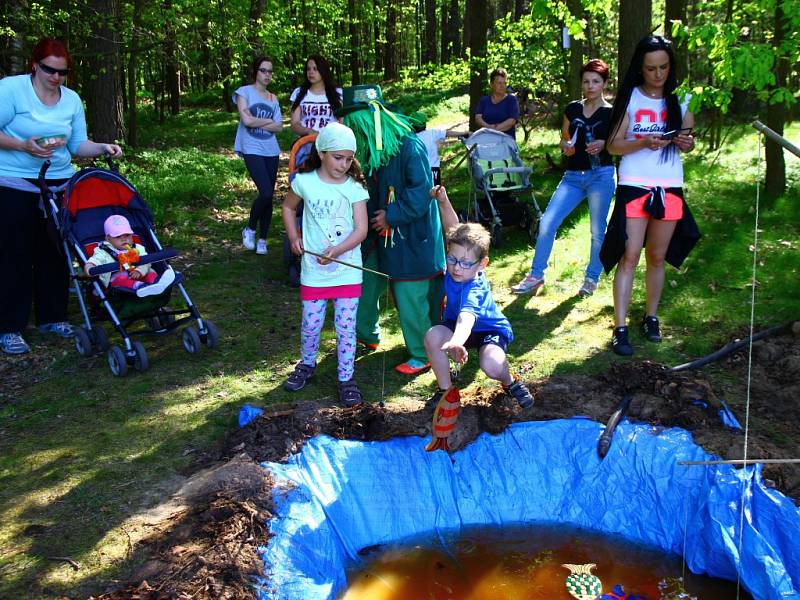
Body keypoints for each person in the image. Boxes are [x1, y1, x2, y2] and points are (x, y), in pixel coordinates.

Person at [0, 38, 122, 355]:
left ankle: (52, 317)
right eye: (49, 70)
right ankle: (10, 327)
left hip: (59, 183)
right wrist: (24, 145)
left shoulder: (71, 100)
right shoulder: (12, 90)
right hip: (13, 182)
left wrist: (103, 147)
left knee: (56, 253)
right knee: (15, 255)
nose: (56, 77)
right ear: (34, 65)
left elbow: (77, 145)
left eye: (62, 72)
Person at [599, 35, 699, 356]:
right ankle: (620, 326)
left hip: (669, 185)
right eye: (651, 68)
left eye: (664, 67)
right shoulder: (630, 98)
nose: (658, 74)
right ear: (640, 69)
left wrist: (686, 143)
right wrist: (643, 141)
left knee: (657, 257)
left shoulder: (681, 98)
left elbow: (688, 137)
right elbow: (613, 145)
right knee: (629, 256)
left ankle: (651, 317)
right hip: (634, 185)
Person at [337, 84, 446, 376]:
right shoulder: (363, 151)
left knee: (410, 292)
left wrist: (392, 215)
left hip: (411, 236)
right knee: (364, 280)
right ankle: (365, 335)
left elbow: (422, 193)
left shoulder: (409, 146)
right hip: (375, 236)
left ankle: (423, 352)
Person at [281, 123, 369, 406]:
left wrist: (338, 250)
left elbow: (361, 229)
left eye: (348, 158)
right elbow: (287, 207)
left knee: (346, 329)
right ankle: (307, 364)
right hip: (314, 273)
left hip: (347, 272)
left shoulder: (355, 188)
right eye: (337, 157)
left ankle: (346, 378)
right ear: (322, 153)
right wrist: (294, 236)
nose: (343, 165)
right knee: (311, 323)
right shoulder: (305, 182)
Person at [512, 59, 616, 298]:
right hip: (572, 177)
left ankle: (591, 278)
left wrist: (604, 144)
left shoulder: (612, 113)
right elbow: (564, 137)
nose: (590, 86)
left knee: (597, 230)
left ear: (604, 83)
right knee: (547, 222)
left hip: (601, 175)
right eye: (586, 81)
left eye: (596, 81)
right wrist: (566, 146)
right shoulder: (573, 109)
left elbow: (619, 143)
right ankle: (536, 276)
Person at [426, 185, 534, 410]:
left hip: (487, 329)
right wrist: (444, 201)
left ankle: (510, 382)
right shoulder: (456, 263)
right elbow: (453, 229)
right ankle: (446, 392)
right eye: (452, 259)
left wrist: (456, 341)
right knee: (433, 336)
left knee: (492, 365)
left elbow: (467, 317)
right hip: (455, 326)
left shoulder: (474, 287)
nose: (456, 268)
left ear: (482, 264)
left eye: (465, 263)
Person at [235, 55, 282, 256]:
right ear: (256, 72)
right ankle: (250, 228)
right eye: (263, 70)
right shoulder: (244, 92)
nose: (267, 75)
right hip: (251, 147)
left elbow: (279, 126)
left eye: (270, 71)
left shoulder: (274, 98)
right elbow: (246, 120)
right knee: (265, 192)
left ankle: (262, 239)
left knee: (269, 196)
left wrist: (256, 120)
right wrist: (266, 122)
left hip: (271, 149)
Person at [84, 215, 175, 298]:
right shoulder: (103, 251)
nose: (124, 239)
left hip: (141, 274)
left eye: (127, 235)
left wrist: (139, 271)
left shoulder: (138, 248)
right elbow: (94, 261)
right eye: (118, 236)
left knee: (150, 273)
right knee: (119, 280)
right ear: (108, 239)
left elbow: (146, 262)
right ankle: (141, 287)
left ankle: (157, 282)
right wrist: (89, 267)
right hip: (118, 280)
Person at [407, 111, 467, 186]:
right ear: (425, 124)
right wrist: (464, 133)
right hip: (434, 170)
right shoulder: (432, 133)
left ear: (412, 126)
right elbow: (447, 133)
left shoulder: (410, 138)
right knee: (435, 192)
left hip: (418, 171)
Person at [289, 55, 342, 136]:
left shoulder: (338, 93)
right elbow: (294, 123)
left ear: (323, 70)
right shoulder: (298, 92)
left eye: (315, 69)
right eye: (308, 69)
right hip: (306, 143)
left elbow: (343, 122)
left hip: (331, 144)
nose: (311, 72)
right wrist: (308, 131)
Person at [475, 68, 520, 138]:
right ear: (491, 84)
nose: (502, 86)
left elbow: (512, 121)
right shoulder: (484, 100)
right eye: (499, 83)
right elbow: (478, 118)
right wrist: (488, 127)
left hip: (506, 141)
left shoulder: (511, 100)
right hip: (486, 140)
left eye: (504, 83)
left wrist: (494, 130)